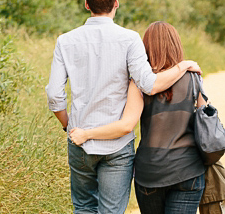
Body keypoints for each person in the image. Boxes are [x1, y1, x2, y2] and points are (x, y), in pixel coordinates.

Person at [46, 0, 202, 214]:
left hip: (79, 141)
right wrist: (183, 66)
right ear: (116, 3)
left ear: (86, 4)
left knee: (84, 208)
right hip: (116, 146)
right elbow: (149, 84)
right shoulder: (130, 39)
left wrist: (69, 126)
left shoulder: (65, 41)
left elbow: (55, 95)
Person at [70, 21, 208, 214]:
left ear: (146, 48)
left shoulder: (139, 84)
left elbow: (126, 125)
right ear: (177, 46)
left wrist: (86, 134)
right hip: (188, 171)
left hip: (151, 173)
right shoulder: (194, 78)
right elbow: (206, 123)